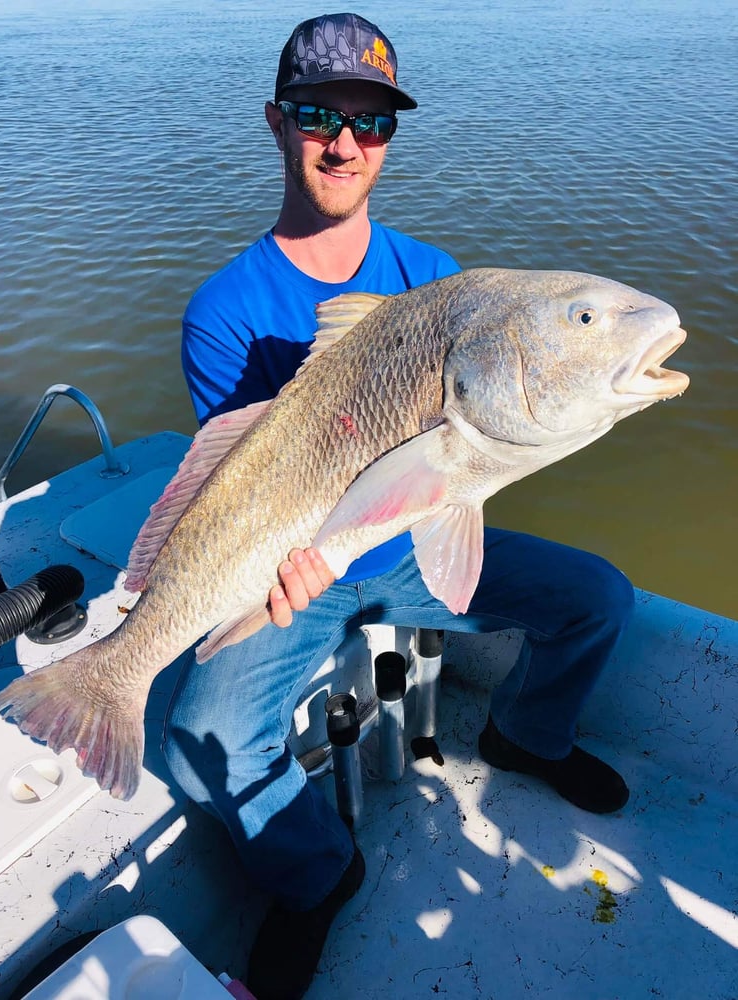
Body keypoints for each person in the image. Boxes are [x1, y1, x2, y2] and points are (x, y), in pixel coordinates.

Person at [164, 13, 633, 999]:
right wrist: (279, 565)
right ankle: (318, 875)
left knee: (597, 596)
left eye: (370, 121)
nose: (343, 142)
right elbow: (236, 484)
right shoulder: (227, 309)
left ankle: (526, 734)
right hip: (304, 571)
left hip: (421, 545)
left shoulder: (437, 281)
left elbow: (476, 449)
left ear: (388, 136)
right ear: (275, 122)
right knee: (193, 742)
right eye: (316, 114)